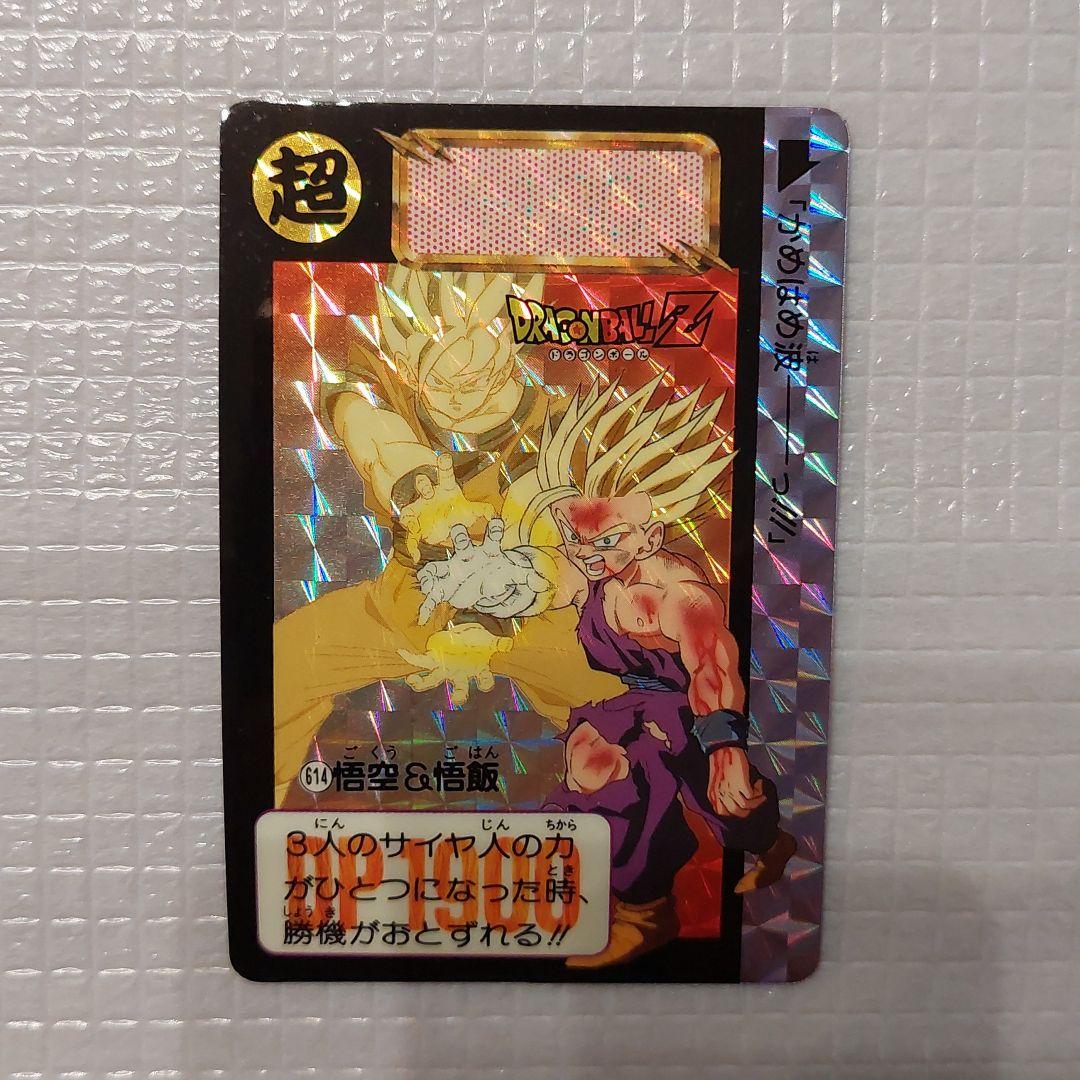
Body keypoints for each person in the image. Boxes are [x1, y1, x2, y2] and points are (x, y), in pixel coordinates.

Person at [416, 380, 796, 967]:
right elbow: (537, 581)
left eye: (608, 540)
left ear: (651, 534)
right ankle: (646, 913)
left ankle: (770, 843)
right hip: (634, 708)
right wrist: (476, 581)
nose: (588, 554)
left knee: (731, 804)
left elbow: (711, 669)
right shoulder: (588, 567)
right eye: (576, 537)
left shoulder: (679, 595)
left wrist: (724, 749)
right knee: (598, 770)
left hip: (694, 712)